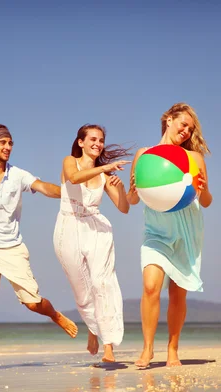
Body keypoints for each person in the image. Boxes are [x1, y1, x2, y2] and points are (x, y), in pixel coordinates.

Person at [0, 124, 78, 372]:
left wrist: (65, 192)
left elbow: (42, 187)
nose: (8, 147)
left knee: (31, 303)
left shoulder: (18, 175)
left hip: (13, 248)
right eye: (3, 143)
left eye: (10, 143)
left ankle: (54, 315)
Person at [127, 103, 212, 368]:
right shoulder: (144, 155)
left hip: (186, 231)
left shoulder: (194, 158)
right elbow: (132, 200)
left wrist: (203, 188)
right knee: (151, 286)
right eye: (183, 124)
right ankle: (147, 349)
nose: (186, 131)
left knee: (178, 294)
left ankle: (173, 350)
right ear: (168, 120)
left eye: (190, 128)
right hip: (156, 231)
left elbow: (206, 201)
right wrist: (131, 189)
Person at [53, 124, 131, 362]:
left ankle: (109, 345)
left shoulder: (105, 176)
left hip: (97, 229)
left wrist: (124, 189)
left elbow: (124, 208)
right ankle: (93, 328)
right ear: (81, 143)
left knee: (102, 283)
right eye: (93, 139)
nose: (98, 144)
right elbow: (74, 178)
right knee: (82, 291)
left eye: (101, 140)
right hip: (69, 227)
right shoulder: (70, 162)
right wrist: (105, 167)